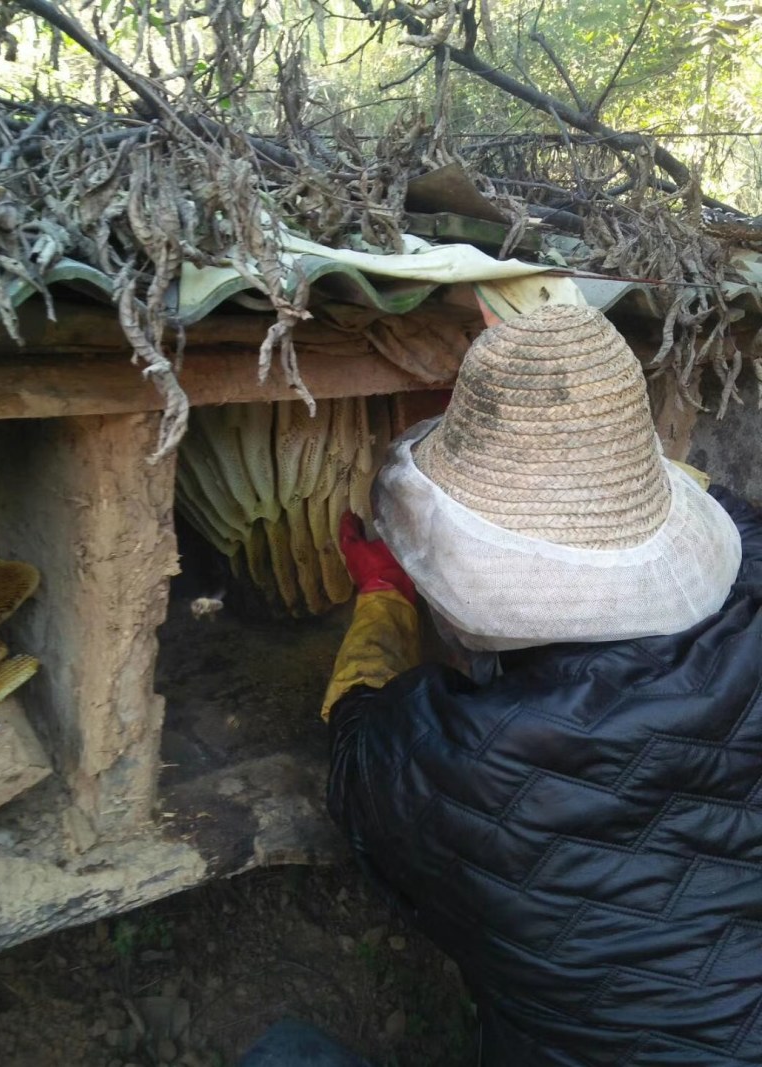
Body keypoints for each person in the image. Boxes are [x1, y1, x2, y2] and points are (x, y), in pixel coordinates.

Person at [321, 304, 762, 1066]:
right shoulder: (753, 598)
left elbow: (352, 744)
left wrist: (383, 598)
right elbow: (738, 520)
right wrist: (591, 427)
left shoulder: (456, 765)